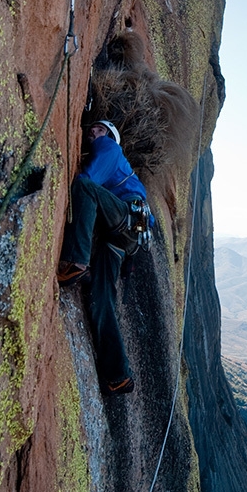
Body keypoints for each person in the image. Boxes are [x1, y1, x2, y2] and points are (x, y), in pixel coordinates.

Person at [57, 120, 152, 396]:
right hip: (127, 237)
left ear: (111, 136)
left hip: (126, 216)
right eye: (92, 130)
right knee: (102, 302)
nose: (93, 133)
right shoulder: (116, 162)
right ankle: (118, 375)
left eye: (99, 129)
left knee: (84, 188)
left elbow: (89, 181)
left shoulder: (109, 147)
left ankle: (76, 262)